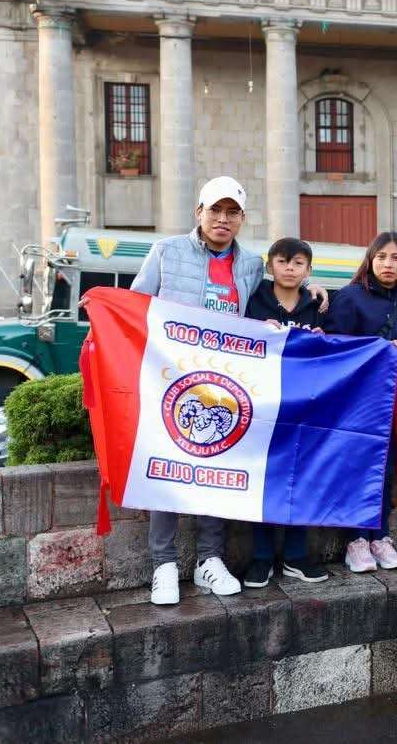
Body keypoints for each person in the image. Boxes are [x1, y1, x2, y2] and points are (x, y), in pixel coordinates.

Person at [129, 175, 264, 605]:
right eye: (215, 210)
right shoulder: (166, 251)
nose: (222, 219)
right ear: (198, 213)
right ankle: (163, 566)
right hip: (171, 382)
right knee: (166, 471)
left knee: (215, 474)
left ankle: (209, 560)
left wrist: (314, 291)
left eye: (232, 212)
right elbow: (134, 307)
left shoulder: (252, 264)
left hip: (224, 386)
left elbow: (265, 310)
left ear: (242, 219)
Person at [326, 231, 397, 573]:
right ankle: (357, 540)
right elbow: (336, 346)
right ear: (370, 260)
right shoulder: (350, 297)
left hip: (394, 401)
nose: (388, 264)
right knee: (357, 467)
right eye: (382, 257)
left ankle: (380, 535)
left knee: (386, 468)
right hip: (357, 401)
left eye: (396, 258)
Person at [241, 237, 329, 589]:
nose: (289, 269)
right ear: (270, 265)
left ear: (308, 270)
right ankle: (261, 558)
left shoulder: (317, 306)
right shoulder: (254, 300)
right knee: (262, 480)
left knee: (299, 479)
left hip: (304, 407)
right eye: (282, 261)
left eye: (297, 263)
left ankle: (295, 555)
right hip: (262, 406)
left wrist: (323, 339)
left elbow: (334, 352)